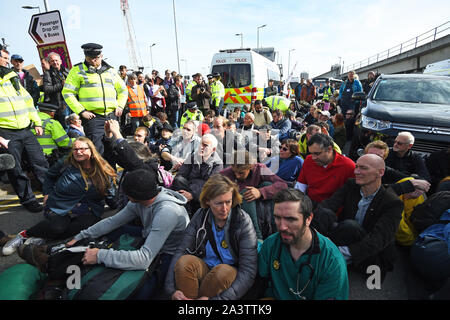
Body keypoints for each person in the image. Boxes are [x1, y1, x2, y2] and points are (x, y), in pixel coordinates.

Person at [61, 168, 190, 300]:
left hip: (169, 252)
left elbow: (144, 259)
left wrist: (100, 255)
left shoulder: (167, 212)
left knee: (141, 292)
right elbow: (113, 221)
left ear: (132, 196)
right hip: (151, 237)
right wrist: (80, 236)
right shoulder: (143, 199)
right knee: (115, 229)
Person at [2, 137, 117, 256]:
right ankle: (25, 235)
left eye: (82, 149)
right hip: (61, 205)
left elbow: (109, 190)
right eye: (75, 149)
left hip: (88, 209)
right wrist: (47, 192)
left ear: (91, 150)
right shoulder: (66, 163)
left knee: (87, 228)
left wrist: (115, 205)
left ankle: (44, 236)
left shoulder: (102, 167)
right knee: (57, 227)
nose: (78, 152)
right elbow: (49, 176)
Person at [165, 174, 257, 300]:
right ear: (208, 201)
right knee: (184, 262)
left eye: (228, 202)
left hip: (229, 273)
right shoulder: (201, 216)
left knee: (222, 272)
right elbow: (181, 250)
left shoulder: (242, 221)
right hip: (205, 267)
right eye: (218, 203)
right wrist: (171, 290)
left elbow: (248, 271)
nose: (224, 209)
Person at [312, 154, 404, 281]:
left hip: (369, 252)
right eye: (356, 167)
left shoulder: (392, 202)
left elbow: (379, 239)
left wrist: (337, 253)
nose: (356, 172)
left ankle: (326, 260)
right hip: (346, 234)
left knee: (350, 226)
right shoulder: (351, 185)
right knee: (324, 213)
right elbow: (329, 204)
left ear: (380, 172)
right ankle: (310, 247)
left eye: (363, 168)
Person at [258, 188, 349, 300]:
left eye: (290, 219)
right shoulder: (270, 244)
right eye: (277, 217)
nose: (282, 227)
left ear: (308, 219)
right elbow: (261, 282)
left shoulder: (331, 261)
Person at [0, 45, 49, 212]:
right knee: (15, 168)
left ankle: (49, 192)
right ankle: (28, 200)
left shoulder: (12, 78)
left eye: (8, 59)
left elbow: (28, 101)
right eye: (5, 58)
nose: (8, 62)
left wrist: (37, 121)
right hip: (5, 132)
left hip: (25, 129)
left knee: (40, 162)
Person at [62, 43, 127, 155]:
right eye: (89, 58)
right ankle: (98, 172)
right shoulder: (77, 70)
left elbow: (123, 90)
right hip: (93, 118)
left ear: (101, 56)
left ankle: (111, 172)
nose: (93, 61)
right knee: (97, 151)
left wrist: (120, 105)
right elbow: (67, 93)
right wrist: (81, 111)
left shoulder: (111, 71)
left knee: (113, 150)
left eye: (96, 58)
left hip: (111, 116)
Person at [220, 150, 288, 240]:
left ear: (251, 167)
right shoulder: (225, 174)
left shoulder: (260, 169)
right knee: (246, 193)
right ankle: (257, 237)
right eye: (234, 172)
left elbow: (282, 185)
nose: (237, 176)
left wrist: (261, 192)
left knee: (267, 185)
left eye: (241, 173)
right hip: (235, 208)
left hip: (260, 208)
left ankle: (275, 231)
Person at [295, 133, 355, 206]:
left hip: (332, 212)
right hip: (309, 204)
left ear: (329, 149)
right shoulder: (308, 160)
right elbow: (301, 186)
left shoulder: (349, 166)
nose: (313, 158)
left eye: (317, 154)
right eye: (311, 153)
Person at [171, 134, 223, 215]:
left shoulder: (218, 164)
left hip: (202, 195)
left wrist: (193, 195)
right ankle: (184, 210)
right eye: (201, 144)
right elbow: (181, 174)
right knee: (178, 180)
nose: (201, 147)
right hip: (187, 188)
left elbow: (211, 187)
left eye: (205, 145)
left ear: (213, 149)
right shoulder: (192, 157)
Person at [32, 102, 74, 166]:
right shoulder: (52, 123)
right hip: (48, 158)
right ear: (52, 113)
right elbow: (64, 142)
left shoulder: (30, 122)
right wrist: (77, 140)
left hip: (31, 156)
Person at [42, 52, 70, 129]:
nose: (55, 62)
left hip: (71, 103)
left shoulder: (67, 71)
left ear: (60, 61)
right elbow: (47, 89)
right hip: (61, 105)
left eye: (56, 60)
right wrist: (61, 85)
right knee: (65, 127)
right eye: (52, 61)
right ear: (50, 63)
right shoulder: (48, 74)